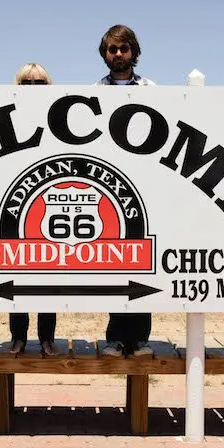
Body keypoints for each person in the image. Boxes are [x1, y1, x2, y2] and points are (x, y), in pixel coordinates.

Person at [93, 25, 154, 357]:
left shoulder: (152, 90)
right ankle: (116, 337)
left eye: (123, 49)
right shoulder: (92, 92)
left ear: (134, 52)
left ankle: (140, 338)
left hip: (144, 184)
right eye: (112, 50)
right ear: (105, 54)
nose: (118, 55)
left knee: (142, 261)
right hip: (109, 184)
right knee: (115, 263)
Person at [8, 62, 57, 356]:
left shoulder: (58, 117)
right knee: (18, 275)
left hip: (48, 202)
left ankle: (47, 337)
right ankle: (18, 337)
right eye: (27, 83)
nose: (33, 88)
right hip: (17, 201)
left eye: (39, 83)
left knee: (49, 276)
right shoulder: (9, 116)